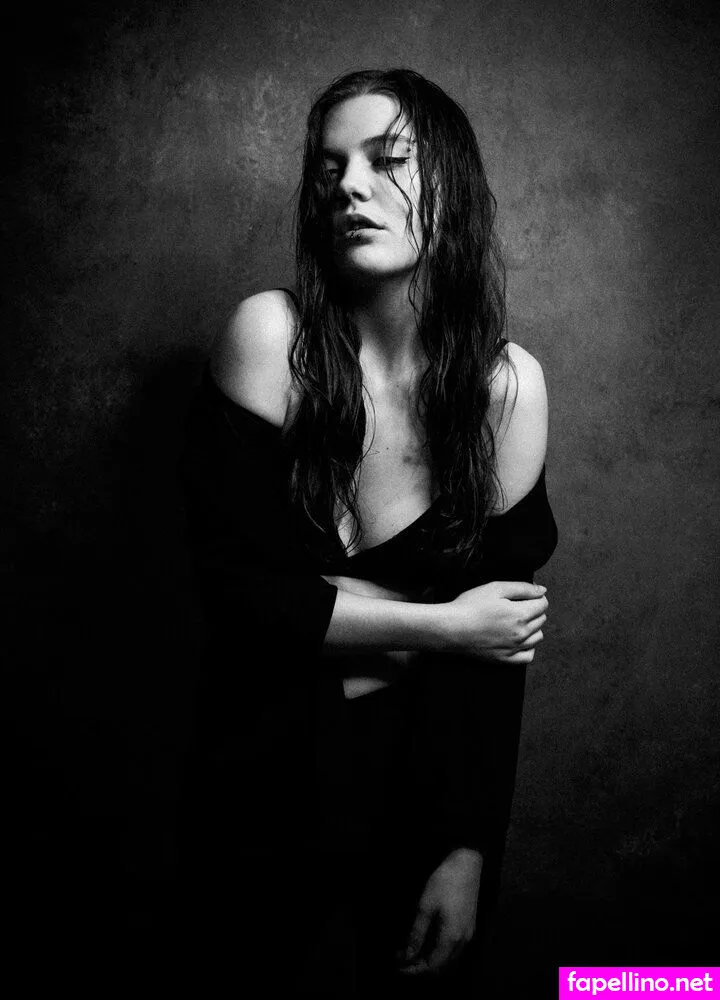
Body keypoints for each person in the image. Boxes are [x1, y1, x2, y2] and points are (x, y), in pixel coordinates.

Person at [176, 68, 557, 995]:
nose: (349, 185)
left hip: (423, 785)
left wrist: (466, 850)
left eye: (388, 160)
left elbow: (499, 652)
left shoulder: (507, 389)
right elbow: (238, 595)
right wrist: (442, 626)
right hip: (257, 776)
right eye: (329, 167)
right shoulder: (270, 337)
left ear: (451, 185)